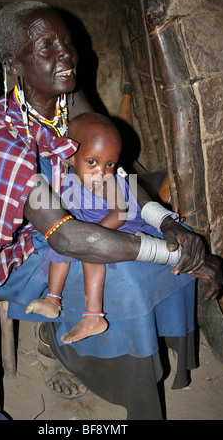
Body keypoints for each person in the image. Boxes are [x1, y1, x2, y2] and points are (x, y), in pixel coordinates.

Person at [0, 0, 223, 419]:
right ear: (12, 64)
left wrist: (165, 222)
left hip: (85, 217)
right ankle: (59, 342)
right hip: (34, 245)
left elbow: (115, 177)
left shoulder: (68, 99)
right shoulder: (4, 135)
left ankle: (168, 339)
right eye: (46, 47)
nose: (66, 55)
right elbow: (65, 235)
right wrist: (169, 253)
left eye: (67, 42)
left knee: (178, 233)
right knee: (126, 276)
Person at [25, 112, 179, 345]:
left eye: (110, 164)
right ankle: (52, 300)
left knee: (92, 253)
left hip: (115, 223)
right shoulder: (66, 177)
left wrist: (93, 234)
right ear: (70, 159)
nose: (102, 172)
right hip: (86, 224)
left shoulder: (109, 183)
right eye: (92, 162)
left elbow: (120, 213)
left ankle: (93, 316)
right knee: (58, 249)